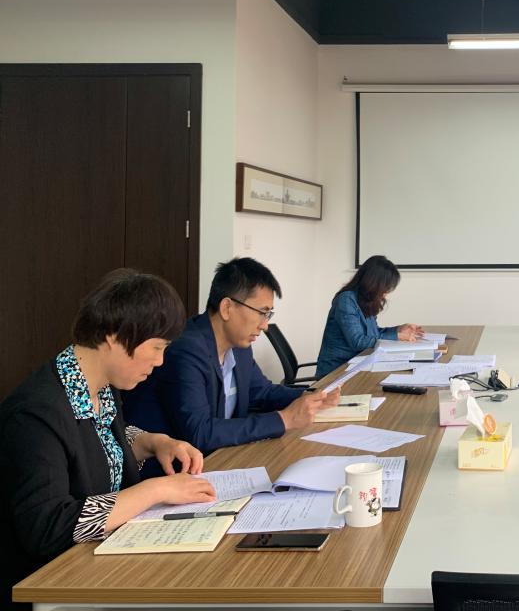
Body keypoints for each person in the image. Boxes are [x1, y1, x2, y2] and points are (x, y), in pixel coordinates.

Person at [0, 269, 215, 608]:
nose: (160, 361)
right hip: (51, 585)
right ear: (115, 336)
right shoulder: (35, 414)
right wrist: (155, 490)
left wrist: (153, 442)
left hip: (100, 563)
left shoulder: (100, 387)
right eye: (156, 347)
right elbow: (48, 527)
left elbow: (96, 447)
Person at [124, 257, 337, 456]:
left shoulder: (239, 346)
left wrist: (311, 396)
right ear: (227, 308)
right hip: (171, 470)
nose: (265, 325)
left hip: (222, 458)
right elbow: (200, 433)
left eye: (268, 314)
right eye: (262, 313)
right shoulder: (186, 350)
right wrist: (284, 419)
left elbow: (261, 391)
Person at [315, 255, 423, 378]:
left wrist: (398, 330)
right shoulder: (346, 300)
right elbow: (358, 341)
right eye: (385, 287)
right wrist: (398, 337)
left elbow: (374, 333)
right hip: (336, 371)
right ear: (374, 283)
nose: (386, 293)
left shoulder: (367, 300)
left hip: (358, 365)